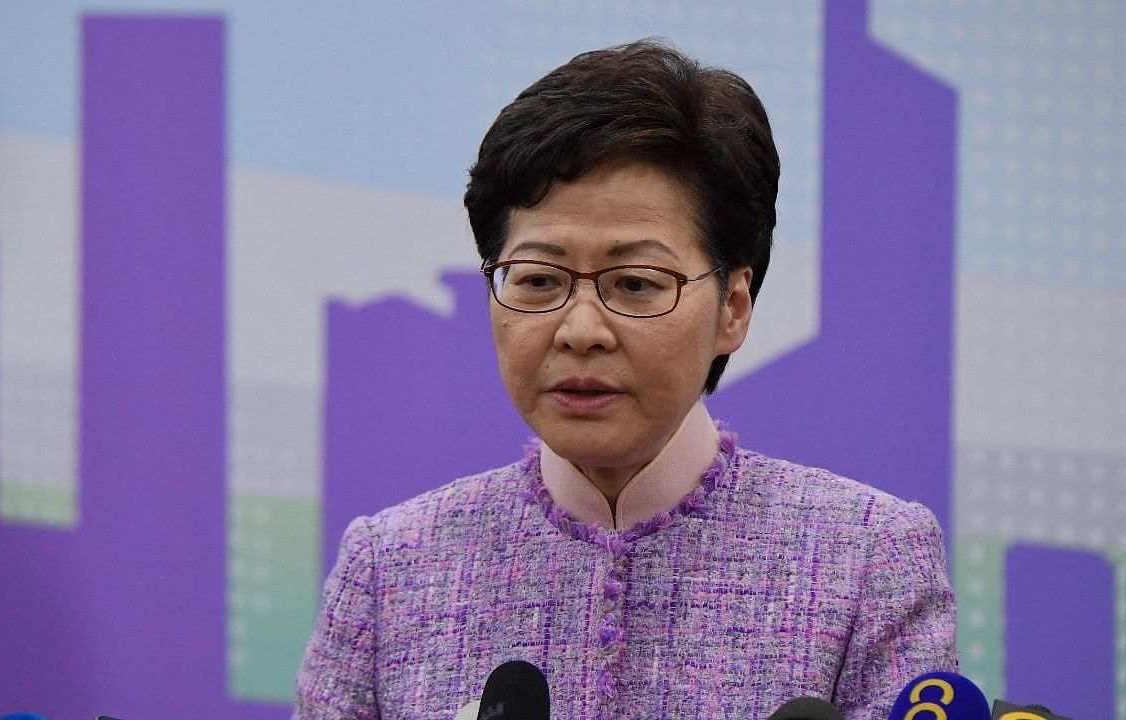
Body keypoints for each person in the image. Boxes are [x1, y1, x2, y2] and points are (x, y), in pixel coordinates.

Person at [295, 39, 956, 719]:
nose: (581, 329)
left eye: (636, 282)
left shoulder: (868, 560)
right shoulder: (390, 567)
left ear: (733, 309)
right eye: (539, 279)